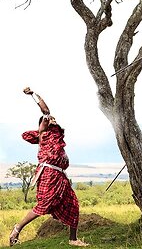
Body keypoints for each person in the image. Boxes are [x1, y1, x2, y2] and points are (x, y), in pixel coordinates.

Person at [9, 88, 89, 247]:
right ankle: (17, 229)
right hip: (48, 174)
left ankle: (73, 239)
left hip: (60, 177)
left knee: (73, 204)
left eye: (53, 119)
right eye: (49, 119)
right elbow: (46, 110)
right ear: (42, 125)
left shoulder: (57, 139)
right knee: (43, 205)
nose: (52, 119)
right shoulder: (43, 133)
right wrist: (34, 95)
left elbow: (64, 161)